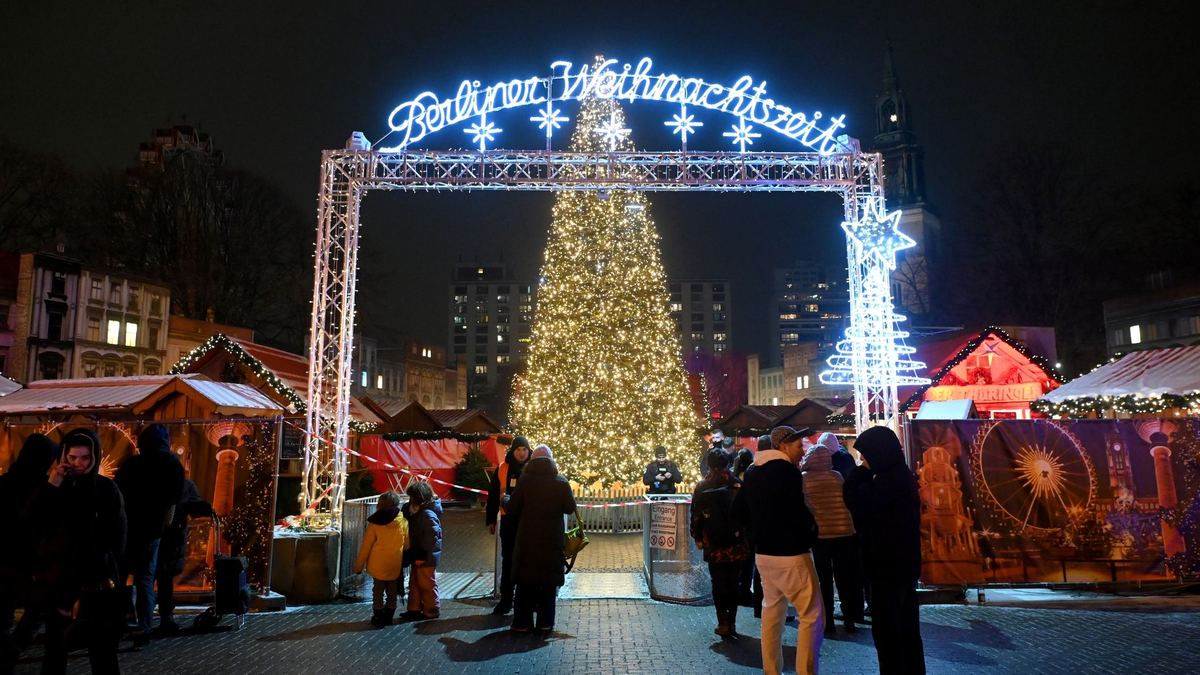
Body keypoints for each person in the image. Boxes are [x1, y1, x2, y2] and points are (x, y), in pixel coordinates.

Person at [29, 428, 127, 675]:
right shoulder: (54, 484)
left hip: (94, 582)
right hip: (58, 581)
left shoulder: (105, 488)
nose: (78, 463)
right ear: (63, 455)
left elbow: (117, 534)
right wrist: (53, 484)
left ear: (94, 458)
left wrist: (107, 566)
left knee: (102, 652)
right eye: (72, 457)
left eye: (84, 458)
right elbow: (34, 521)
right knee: (54, 651)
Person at [731, 425, 822, 675]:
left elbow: (737, 511)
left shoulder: (753, 471)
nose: (802, 450)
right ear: (782, 446)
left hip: (764, 555)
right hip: (792, 554)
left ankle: (772, 671)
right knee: (812, 617)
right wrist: (811, 528)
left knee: (772, 616)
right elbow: (796, 512)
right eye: (797, 445)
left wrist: (759, 527)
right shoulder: (788, 472)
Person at [843, 426, 925, 675]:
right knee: (906, 629)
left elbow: (856, 501)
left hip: (887, 568)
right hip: (900, 567)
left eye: (864, 455)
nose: (862, 461)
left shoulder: (889, 481)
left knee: (889, 632)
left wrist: (858, 474)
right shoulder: (898, 475)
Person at [113, 424, 184, 644]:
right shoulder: (173, 464)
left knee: (119, 578)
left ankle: (115, 626)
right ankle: (143, 629)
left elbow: (118, 495)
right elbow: (176, 497)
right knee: (145, 580)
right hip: (153, 530)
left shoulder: (132, 464)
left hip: (126, 530)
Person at [1, 434, 58, 675]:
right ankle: (11, 651)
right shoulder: (46, 487)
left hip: (4, 555)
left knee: (3, 611)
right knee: (38, 608)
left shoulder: (4, 482)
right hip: (30, 559)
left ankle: (5, 654)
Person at [506, 444, 576, 633]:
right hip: (552, 542)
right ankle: (545, 623)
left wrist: (505, 499)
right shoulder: (561, 481)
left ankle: (522, 623)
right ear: (552, 460)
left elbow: (512, 507)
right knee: (548, 585)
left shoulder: (525, 480)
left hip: (528, 541)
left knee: (525, 583)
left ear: (533, 460)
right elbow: (570, 508)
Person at [801, 442, 863, 637]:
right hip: (844, 532)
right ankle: (849, 618)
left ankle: (828, 620)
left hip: (821, 535)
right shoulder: (837, 476)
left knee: (824, 579)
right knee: (843, 576)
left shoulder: (804, 479)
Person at [691, 449, 750, 640]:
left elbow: (696, 516)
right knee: (733, 582)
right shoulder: (737, 484)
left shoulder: (702, 485)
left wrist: (698, 538)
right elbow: (746, 513)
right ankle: (732, 622)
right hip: (736, 544)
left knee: (717, 583)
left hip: (713, 543)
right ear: (727, 462)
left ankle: (722, 622)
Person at [154, 478, 214, 633]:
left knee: (145, 579)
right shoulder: (182, 483)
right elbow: (194, 507)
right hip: (170, 538)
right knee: (164, 579)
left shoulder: (140, 476)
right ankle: (165, 619)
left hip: (147, 537)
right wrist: (205, 507)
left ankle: (140, 620)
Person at [486, 436, 531, 614]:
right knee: (508, 561)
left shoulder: (534, 468)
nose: (522, 453)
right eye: (518, 449)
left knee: (527, 561)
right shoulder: (502, 469)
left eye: (525, 449)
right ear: (513, 451)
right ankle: (506, 599)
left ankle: (527, 599)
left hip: (528, 522)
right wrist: (490, 520)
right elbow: (493, 495)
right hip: (508, 521)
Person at [354, 490, 409, 627]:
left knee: (377, 590)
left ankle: (378, 616)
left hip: (377, 563)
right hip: (394, 563)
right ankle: (389, 616)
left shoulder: (375, 522)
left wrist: (358, 567)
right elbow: (407, 544)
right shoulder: (403, 521)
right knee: (392, 590)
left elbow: (366, 546)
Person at [736, 434, 771, 616]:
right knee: (763, 568)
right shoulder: (763, 470)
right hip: (765, 528)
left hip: (751, 527)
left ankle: (755, 600)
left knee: (754, 565)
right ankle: (763, 602)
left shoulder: (750, 472)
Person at [401, 481, 442, 620]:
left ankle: (431, 609)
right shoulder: (420, 511)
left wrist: (422, 553)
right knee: (415, 582)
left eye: (412, 497)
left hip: (426, 555)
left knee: (426, 583)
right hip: (420, 553)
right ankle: (414, 608)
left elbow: (432, 536)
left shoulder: (427, 513)